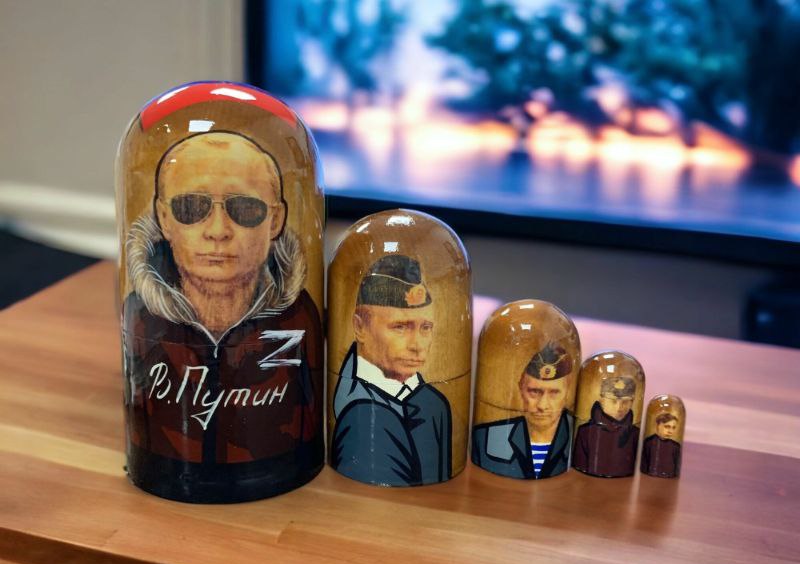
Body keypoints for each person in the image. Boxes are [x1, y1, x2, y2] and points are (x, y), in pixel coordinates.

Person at [122, 131, 322, 472]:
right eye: (191, 207)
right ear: (164, 218)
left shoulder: (298, 319)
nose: (217, 231)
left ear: (275, 221)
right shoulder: (142, 319)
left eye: (245, 209)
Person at [330, 255, 452, 486]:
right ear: (360, 327)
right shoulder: (360, 412)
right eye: (400, 327)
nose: (417, 345)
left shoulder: (433, 404)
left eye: (425, 327)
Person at [472, 343, 574, 479]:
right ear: (521, 388)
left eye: (554, 393)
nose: (542, 405)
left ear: (568, 392)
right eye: (534, 391)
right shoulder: (485, 439)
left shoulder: (582, 439)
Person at [572, 376, 640, 477]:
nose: (619, 407)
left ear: (632, 402)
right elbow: (579, 467)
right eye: (613, 401)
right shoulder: (585, 431)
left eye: (625, 402)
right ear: (602, 400)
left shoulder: (634, 433)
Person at [641, 413, 682, 477]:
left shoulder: (676, 446)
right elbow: (644, 467)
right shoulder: (648, 442)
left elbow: (676, 470)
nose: (670, 431)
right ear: (658, 425)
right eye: (667, 427)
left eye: (673, 428)